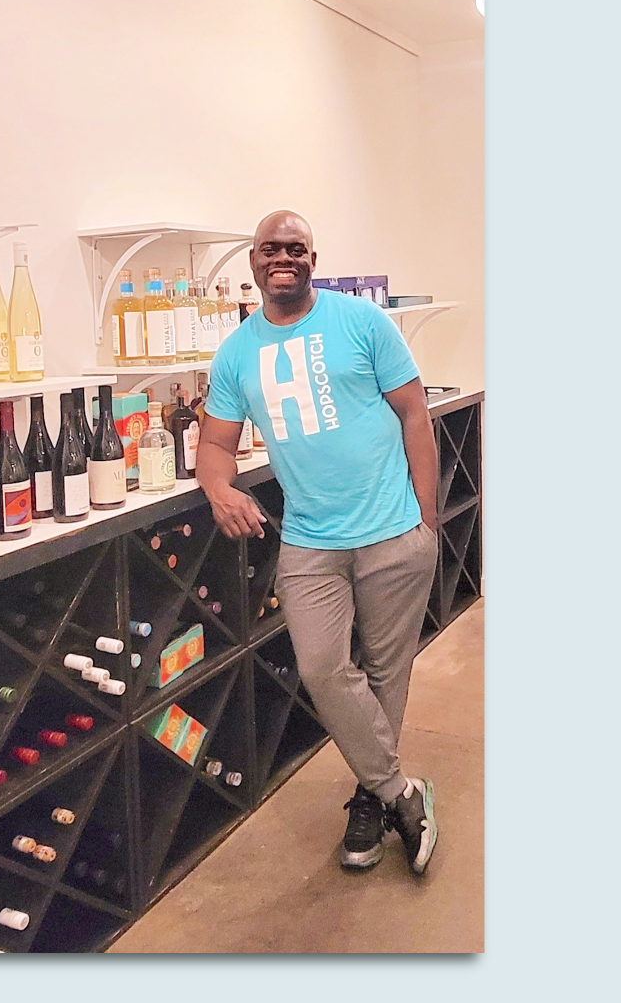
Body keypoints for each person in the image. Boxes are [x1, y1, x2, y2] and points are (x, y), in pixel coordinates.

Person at [194, 210, 442, 875]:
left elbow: (416, 413)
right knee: (323, 669)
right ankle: (399, 792)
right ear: (253, 262)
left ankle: (369, 798)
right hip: (309, 541)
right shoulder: (237, 353)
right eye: (271, 248)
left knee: (387, 675)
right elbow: (214, 444)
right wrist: (219, 491)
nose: (284, 258)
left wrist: (427, 518)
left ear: (312, 258)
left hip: (394, 531)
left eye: (296, 248)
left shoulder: (361, 322)